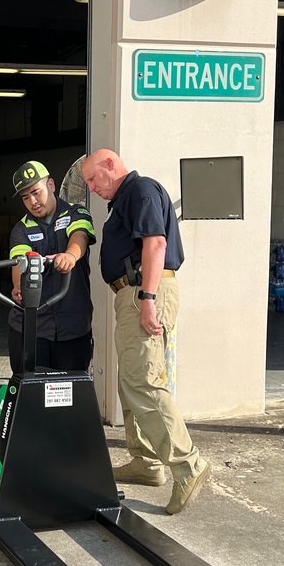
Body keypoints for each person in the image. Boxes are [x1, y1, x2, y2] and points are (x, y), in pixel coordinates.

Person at [81, 148, 210, 515]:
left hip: (144, 292)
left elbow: (156, 243)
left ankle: (188, 466)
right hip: (133, 293)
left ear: (110, 165)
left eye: (93, 178)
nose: (92, 187)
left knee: (145, 382)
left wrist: (148, 298)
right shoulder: (126, 198)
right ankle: (146, 463)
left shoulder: (140, 190)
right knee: (132, 381)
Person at [6, 160, 96, 373]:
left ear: (51, 185)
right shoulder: (21, 229)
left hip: (73, 326)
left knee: (70, 394)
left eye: (36, 192)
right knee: (30, 394)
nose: (33, 202)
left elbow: (80, 236)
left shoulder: (77, 213)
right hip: (32, 328)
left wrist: (70, 255)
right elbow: (19, 262)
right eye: (25, 197)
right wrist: (19, 287)